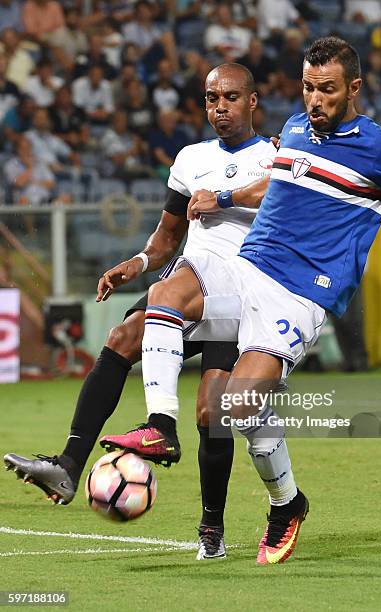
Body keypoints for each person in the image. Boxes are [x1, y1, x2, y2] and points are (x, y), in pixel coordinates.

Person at [99, 37, 381, 565]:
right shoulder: (298, 128)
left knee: (236, 405)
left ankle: (287, 502)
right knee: (164, 294)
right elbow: (278, 180)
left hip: (301, 292)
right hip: (249, 265)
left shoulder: (380, 148)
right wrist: (229, 197)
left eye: (326, 90)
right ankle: (160, 426)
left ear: (353, 88)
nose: (314, 100)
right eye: (307, 88)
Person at [4, 63, 276, 561]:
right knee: (120, 340)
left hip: (240, 293)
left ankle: (210, 529)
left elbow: (282, 198)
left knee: (211, 412)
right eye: (212, 98)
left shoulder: (274, 155)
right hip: (187, 278)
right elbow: (168, 234)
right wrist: (139, 261)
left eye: (231, 98)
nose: (220, 107)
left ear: (253, 101)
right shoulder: (191, 158)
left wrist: (222, 198)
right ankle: (68, 465)